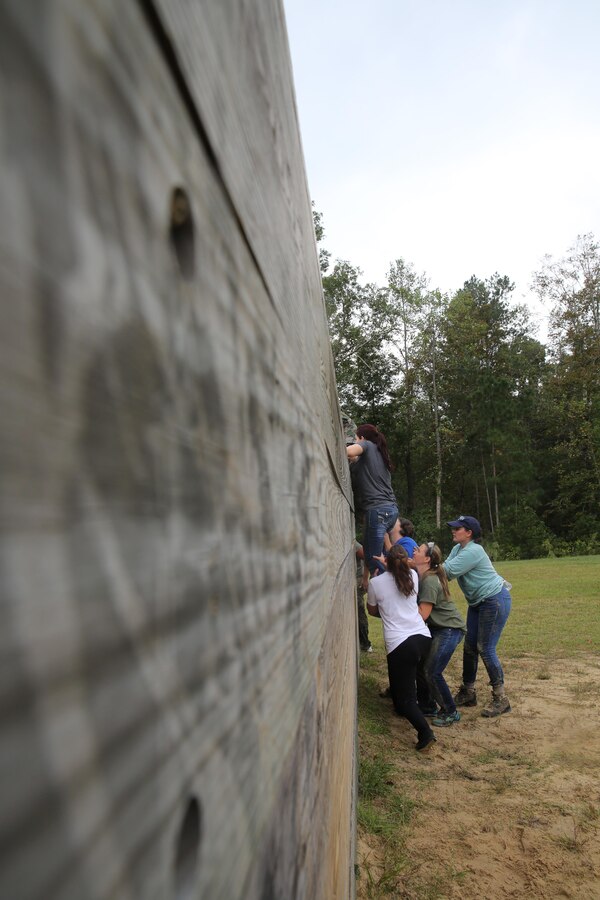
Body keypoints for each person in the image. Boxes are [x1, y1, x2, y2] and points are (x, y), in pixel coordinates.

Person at [441, 515, 512, 717]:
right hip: (478, 603)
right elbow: (445, 567)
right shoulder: (458, 549)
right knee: (470, 646)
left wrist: (420, 564)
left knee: (485, 648)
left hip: (494, 600)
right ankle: (468, 692)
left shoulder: (474, 550)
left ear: (469, 533)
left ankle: (501, 698)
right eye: (453, 528)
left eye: (457, 528)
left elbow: (448, 572)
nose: (453, 531)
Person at [367, 544, 435, 751]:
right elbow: (399, 570)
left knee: (405, 699)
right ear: (405, 560)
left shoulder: (375, 583)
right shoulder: (413, 575)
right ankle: (427, 704)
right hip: (423, 637)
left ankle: (425, 732)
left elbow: (371, 610)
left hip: (400, 644)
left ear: (387, 560)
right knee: (416, 676)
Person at [413, 542, 466, 726]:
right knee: (424, 668)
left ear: (427, 559)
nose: (414, 551)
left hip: (449, 630)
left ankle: (450, 711)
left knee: (433, 671)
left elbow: (423, 614)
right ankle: (428, 707)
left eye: (418, 550)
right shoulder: (425, 574)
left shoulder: (429, 581)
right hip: (439, 629)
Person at [346, 424, 399, 586]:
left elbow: (349, 452)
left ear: (361, 438)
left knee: (374, 560)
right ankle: (392, 584)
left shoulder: (367, 445)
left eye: (356, 438)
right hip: (391, 511)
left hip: (377, 512)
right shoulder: (380, 455)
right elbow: (357, 462)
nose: (356, 441)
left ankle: (391, 595)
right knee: (377, 556)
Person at [355, 542, 372, 653]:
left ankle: (365, 644)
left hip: (358, 582)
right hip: (354, 581)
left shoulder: (355, 545)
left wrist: (365, 578)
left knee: (359, 611)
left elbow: (368, 558)